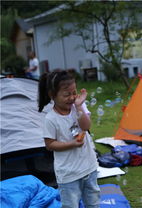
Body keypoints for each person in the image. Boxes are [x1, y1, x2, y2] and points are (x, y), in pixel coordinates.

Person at [38, 70, 100, 208]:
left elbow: (86, 125)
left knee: (93, 203)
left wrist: (79, 106)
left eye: (74, 92)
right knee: (70, 205)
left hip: (89, 167)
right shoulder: (51, 119)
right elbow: (49, 144)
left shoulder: (78, 107)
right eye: (67, 94)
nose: (72, 97)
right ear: (52, 95)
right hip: (68, 174)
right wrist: (71, 144)